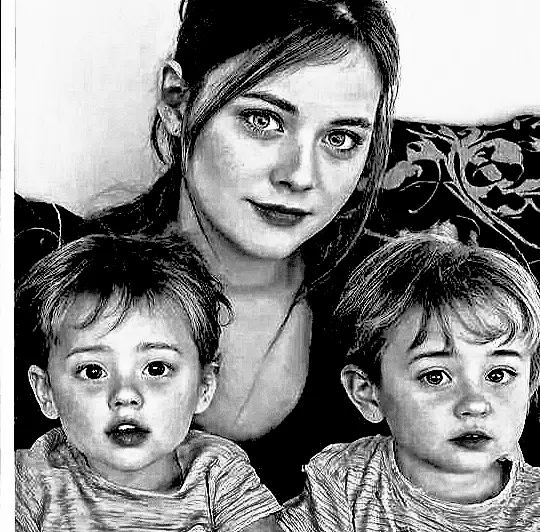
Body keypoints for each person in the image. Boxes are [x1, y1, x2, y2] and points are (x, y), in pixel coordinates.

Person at [15, 0, 400, 500]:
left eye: (342, 138)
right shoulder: (52, 288)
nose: (301, 175)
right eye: (263, 120)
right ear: (177, 101)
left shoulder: (400, 300)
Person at [15, 233, 281, 532]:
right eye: (92, 371)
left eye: (156, 369)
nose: (125, 395)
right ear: (46, 391)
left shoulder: (218, 473)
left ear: (204, 387)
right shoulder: (28, 482)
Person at [278, 230, 540, 531]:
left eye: (498, 375)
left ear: (530, 382)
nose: (475, 404)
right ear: (367, 392)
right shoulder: (344, 485)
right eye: (435, 377)